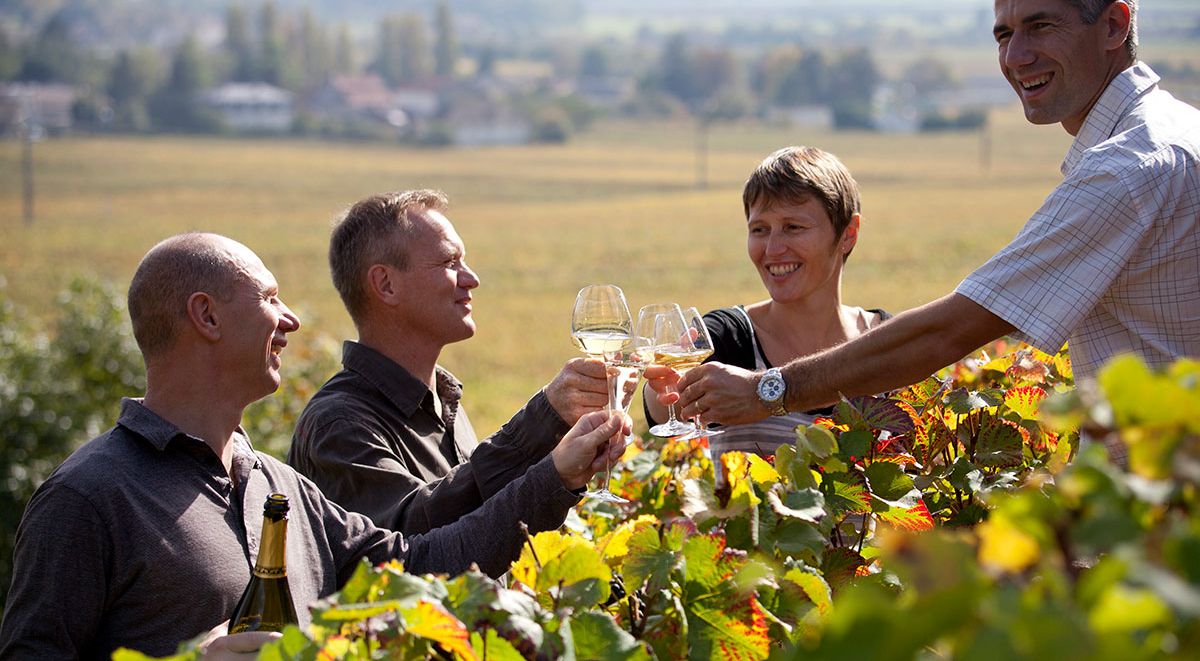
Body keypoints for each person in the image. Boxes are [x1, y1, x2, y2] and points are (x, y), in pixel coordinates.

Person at [0, 232, 628, 661]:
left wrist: (557, 475)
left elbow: (423, 566)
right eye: (270, 299)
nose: (292, 319)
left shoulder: (277, 486)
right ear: (207, 318)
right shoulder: (87, 498)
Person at [656, 0, 1199, 431]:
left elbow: (952, 331)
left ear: (1113, 25)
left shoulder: (1126, 171)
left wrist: (765, 392)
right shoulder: (1178, 132)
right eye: (1004, 34)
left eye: (1040, 26)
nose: (1017, 56)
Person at [287, 190, 613, 534]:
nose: (471, 279)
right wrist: (541, 419)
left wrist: (562, 457)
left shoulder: (442, 402)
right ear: (386, 284)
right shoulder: (338, 424)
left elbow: (484, 520)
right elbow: (415, 542)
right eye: (449, 262)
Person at [642, 146, 890, 477]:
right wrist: (665, 389)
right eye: (760, 229)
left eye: (793, 227)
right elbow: (661, 408)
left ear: (848, 233)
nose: (772, 250)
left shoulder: (886, 340)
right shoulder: (727, 336)